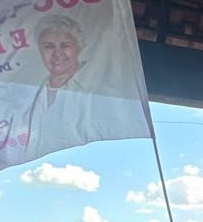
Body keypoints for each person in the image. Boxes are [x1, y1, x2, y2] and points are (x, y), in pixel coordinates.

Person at [23, 14, 147, 163]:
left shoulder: (101, 90)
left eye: (65, 45)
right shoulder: (29, 94)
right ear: (39, 50)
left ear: (79, 47)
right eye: (48, 46)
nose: (57, 53)